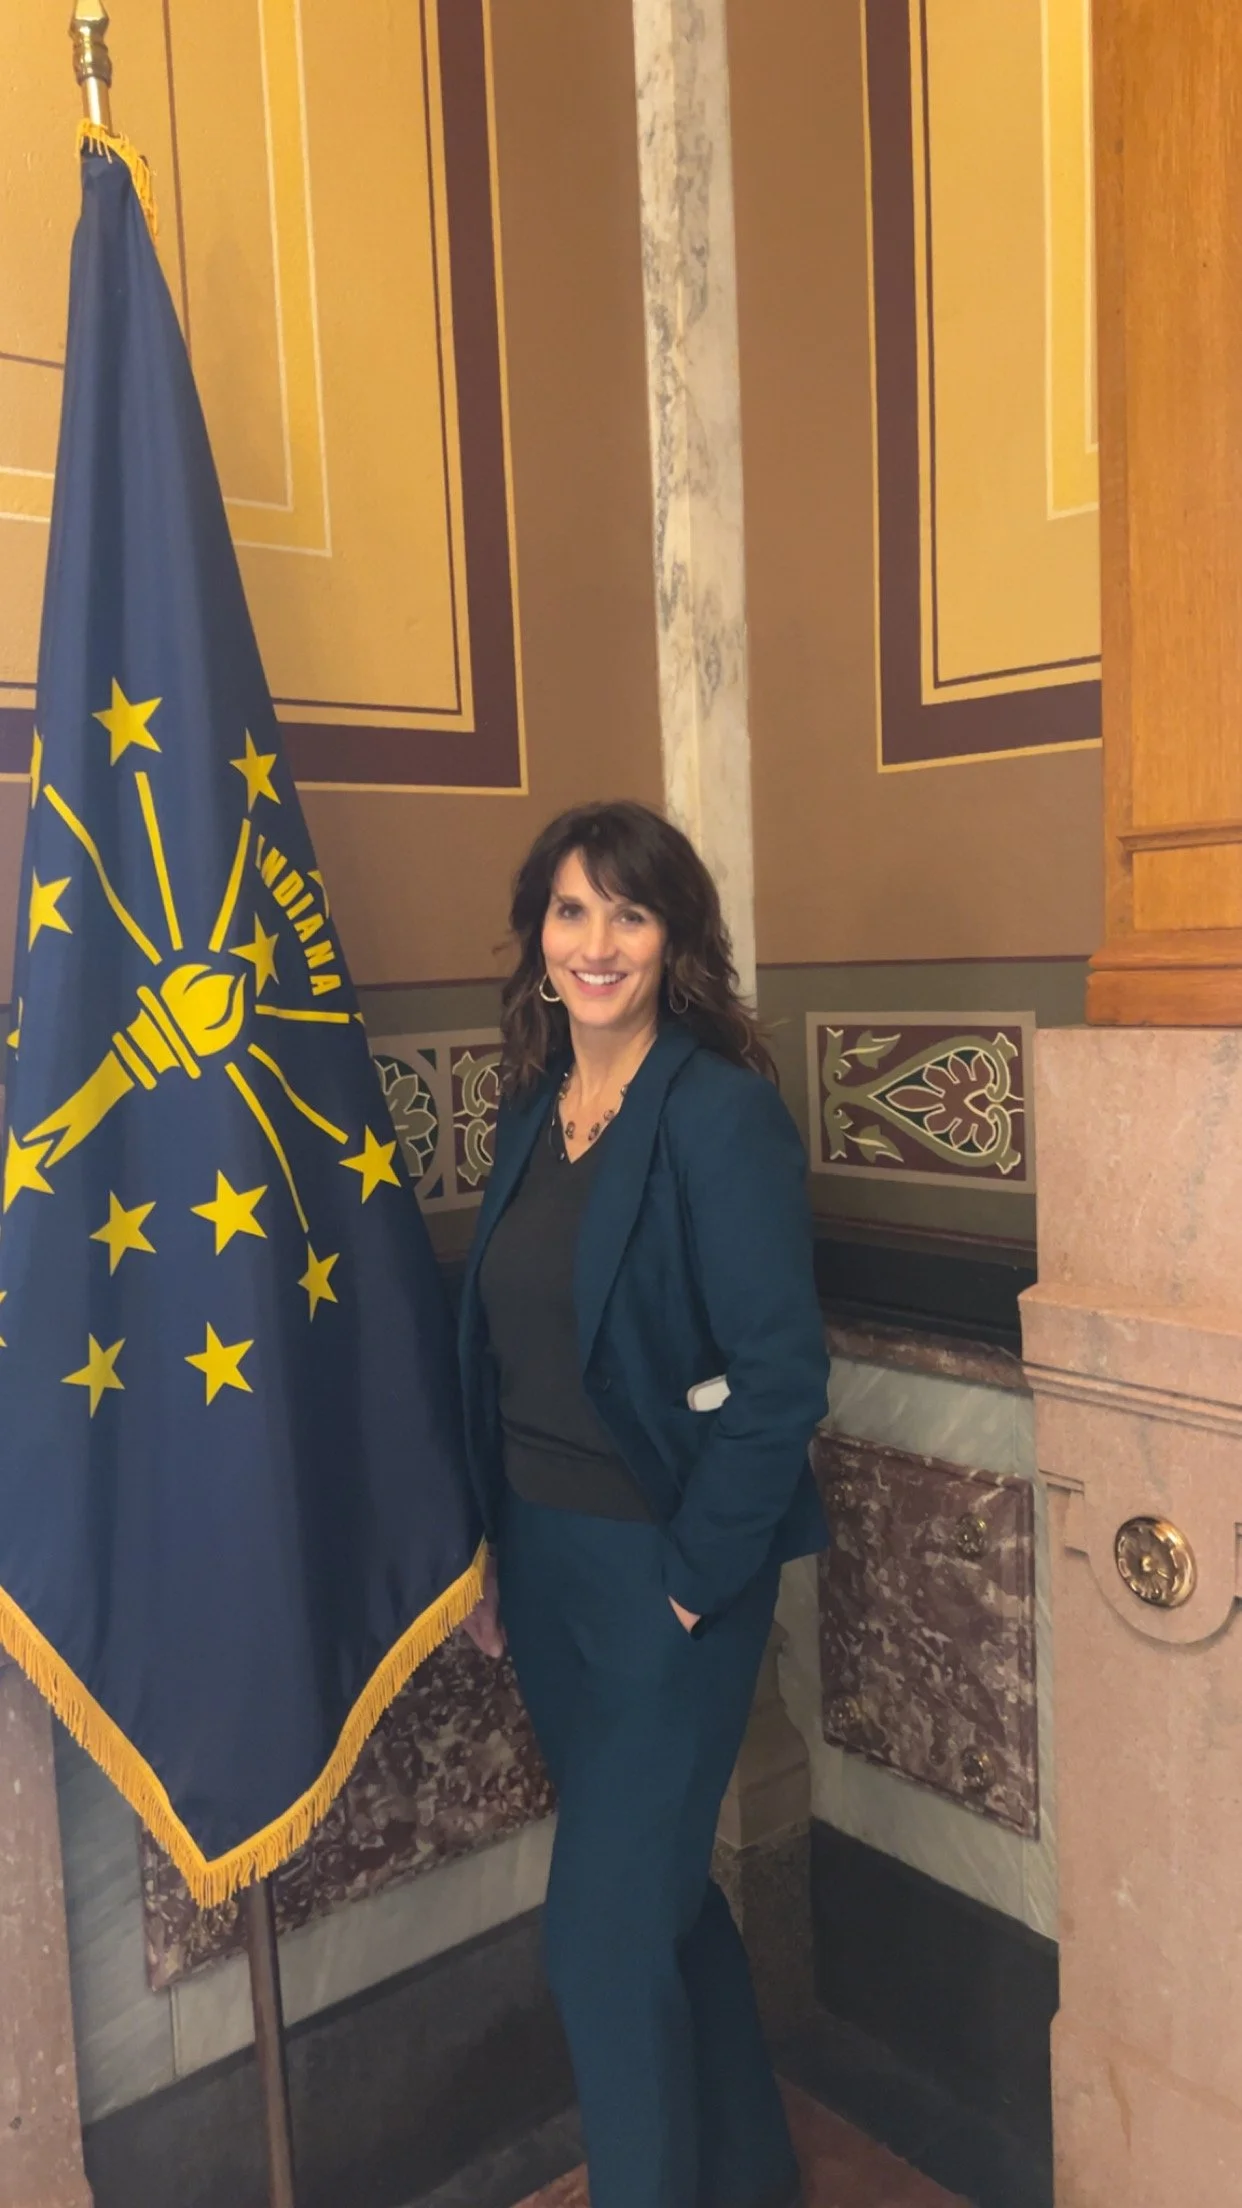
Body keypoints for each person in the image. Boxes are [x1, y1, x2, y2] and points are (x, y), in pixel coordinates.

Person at [459, 801, 829, 2208]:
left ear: (673, 940)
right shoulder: (524, 1116)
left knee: (597, 1947)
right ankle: (747, 2175)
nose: (594, 942)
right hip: (543, 1577)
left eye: (627, 912)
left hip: (667, 1583)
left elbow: (781, 1381)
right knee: (661, 1910)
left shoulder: (717, 1113)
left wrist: (690, 1581)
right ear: (536, 937)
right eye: (568, 910)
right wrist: (487, 1556)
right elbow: (502, 1360)